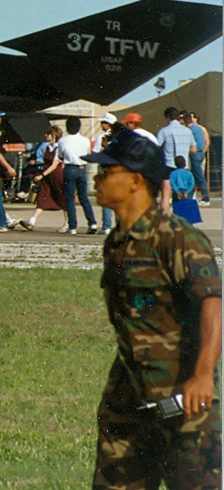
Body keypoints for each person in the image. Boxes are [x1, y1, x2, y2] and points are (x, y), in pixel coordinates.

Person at [85, 128, 221, 488]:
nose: (97, 179)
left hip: (183, 396)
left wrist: (203, 375)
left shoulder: (176, 237)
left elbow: (211, 305)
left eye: (107, 171)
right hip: (128, 395)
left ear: (135, 181)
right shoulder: (116, 242)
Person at [56, 115, 99, 234]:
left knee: (69, 198)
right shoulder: (85, 140)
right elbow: (87, 153)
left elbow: (60, 156)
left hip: (69, 168)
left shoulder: (62, 140)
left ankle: (73, 226)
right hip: (81, 168)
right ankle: (92, 223)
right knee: (83, 197)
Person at [22, 126, 65, 231]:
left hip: (56, 175)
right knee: (42, 196)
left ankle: (68, 223)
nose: (46, 135)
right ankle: (32, 221)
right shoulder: (47, 147)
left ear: (53, 135)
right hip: (47, 175)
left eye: (48, 134)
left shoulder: (59, 147)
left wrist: (42, 175)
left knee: (62, 198)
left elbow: (55, 165)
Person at [157, 107, 194, 211]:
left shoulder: (164, 131)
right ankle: (183, 219)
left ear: (167, 118)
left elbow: (157, 146)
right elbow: (194, 148)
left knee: (165, 195)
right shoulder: (188, 131)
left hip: (169, 165)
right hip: (184, 166)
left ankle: (163, 220)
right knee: (183, 194)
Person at [186, 111, 211, 204]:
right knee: (194, 176)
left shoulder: (192, 129)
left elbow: (206, 141)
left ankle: (206, 198)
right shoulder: (199, 129)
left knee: (199, 177)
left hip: (196, 154)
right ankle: (190, 196)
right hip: (199, 153)